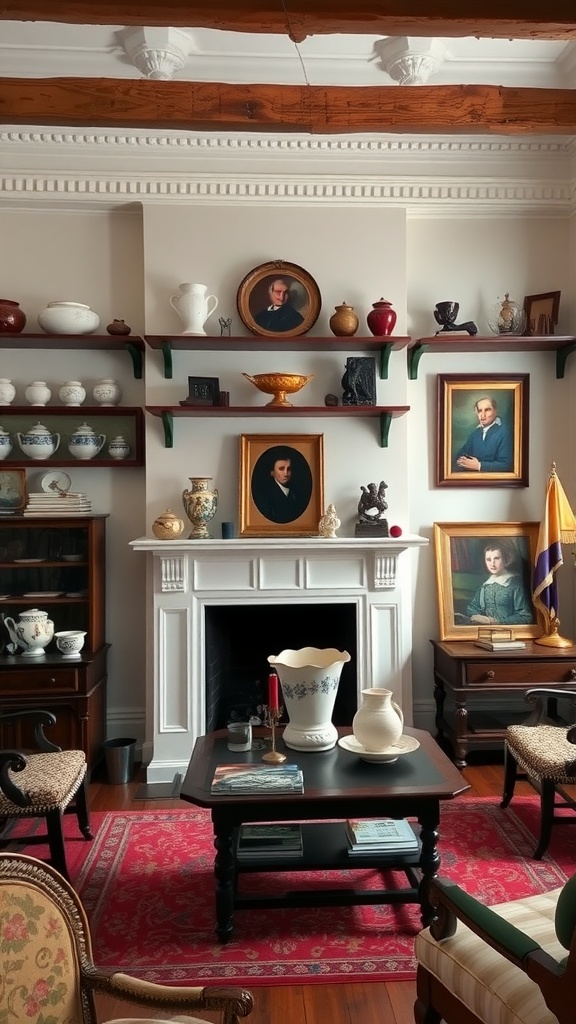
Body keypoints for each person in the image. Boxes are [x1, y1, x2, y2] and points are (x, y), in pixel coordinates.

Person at [464, 541, 534, 625]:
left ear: (506, 559)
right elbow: (472, 607)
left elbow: (525, 616)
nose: (492, 564)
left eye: (496, 558)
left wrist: (494, 621)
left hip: (510, 632)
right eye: (488, 560)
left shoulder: (515, 584)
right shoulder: (486, 585)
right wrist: (480, 617)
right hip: (485, 631)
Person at [453, 395, 513, 473]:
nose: (483, 415)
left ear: (495, 410)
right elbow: (460, 454)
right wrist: (464, 461)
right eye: (480, 411)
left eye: (487, 410)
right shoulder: (476, 434)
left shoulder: (505, 432)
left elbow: (507, 465)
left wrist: (479, 465)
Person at [252, 447, 311, 524]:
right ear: (272, 472)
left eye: (288, 469)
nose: (286, 473)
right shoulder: (264, 495)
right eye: (281, 469)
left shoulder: (297, 493)